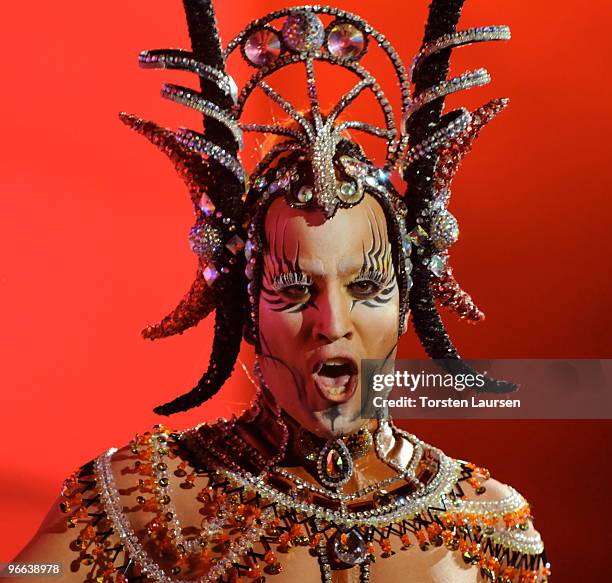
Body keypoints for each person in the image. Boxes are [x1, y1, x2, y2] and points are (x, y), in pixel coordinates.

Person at [9, 1, 550, 581]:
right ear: (246, 308)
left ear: (408, 299)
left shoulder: (487, 525)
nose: (332, 321)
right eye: (294, 290)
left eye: (366, 286)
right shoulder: (145, 500)